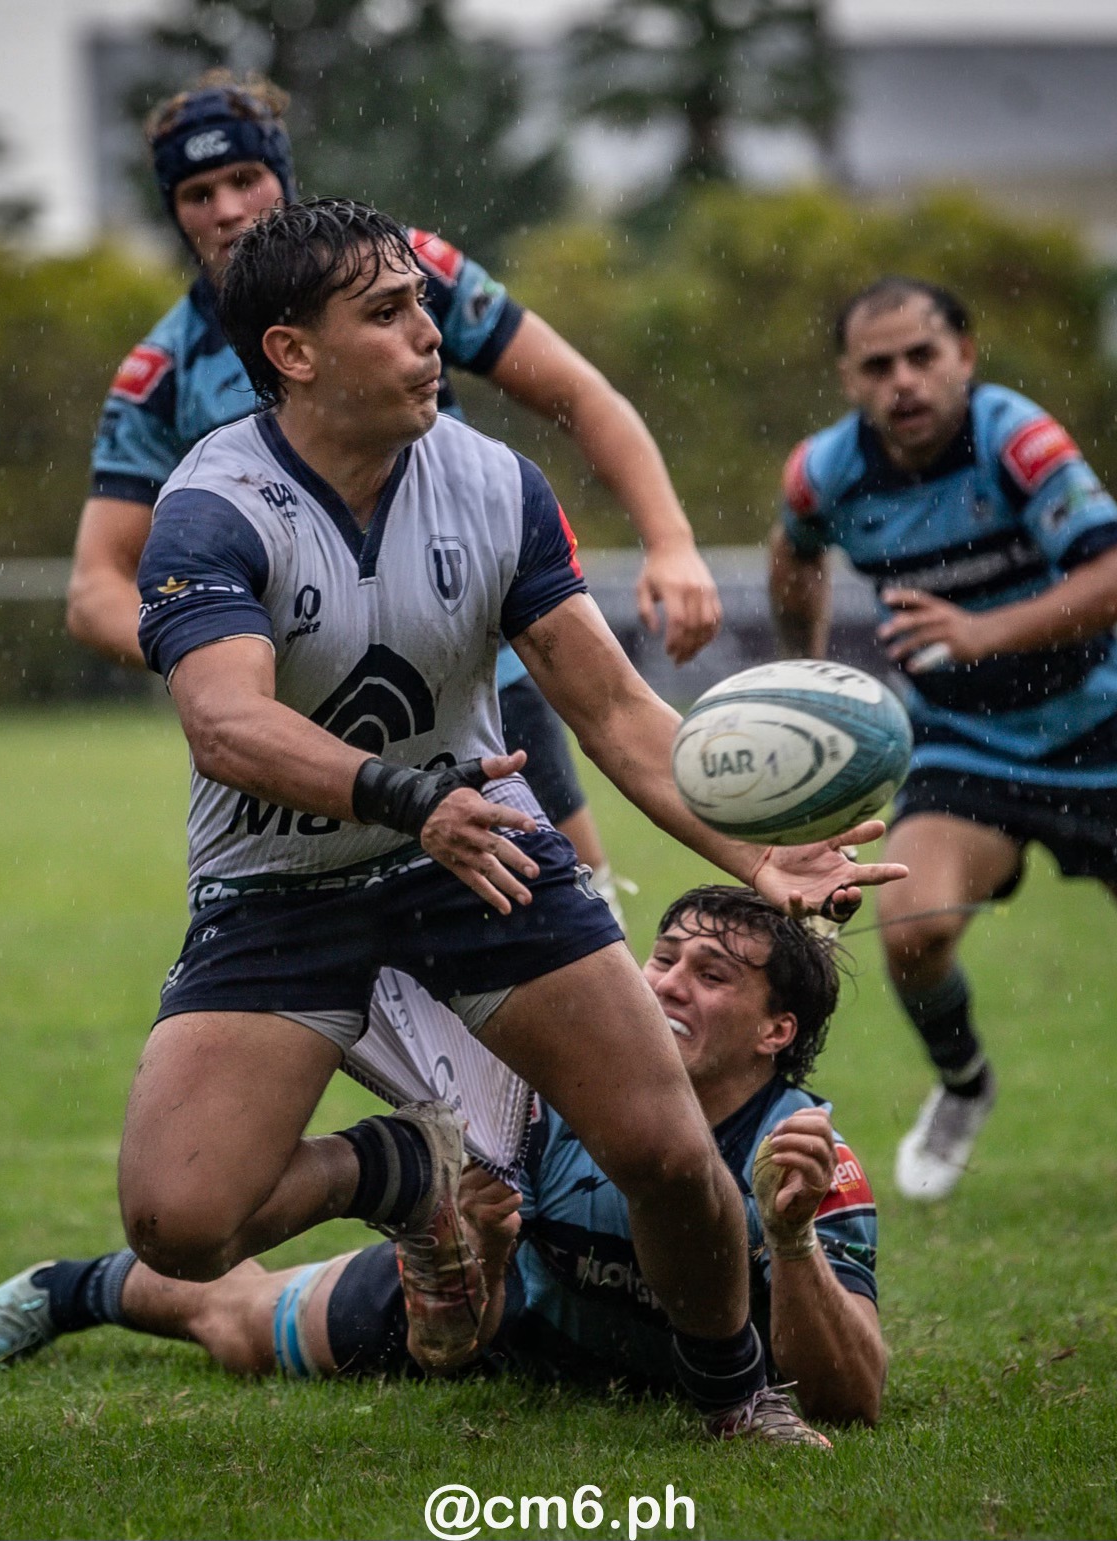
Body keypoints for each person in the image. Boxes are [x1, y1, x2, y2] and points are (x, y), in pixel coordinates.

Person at [105, 196, 906, 1445]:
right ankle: (404, 1173)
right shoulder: (212, 502)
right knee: (178, 1221)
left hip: (472, 851)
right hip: (281, 879)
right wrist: (403, 795)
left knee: (662, 1148)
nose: (429, 333)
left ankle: (730, 1395)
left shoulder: (495, 486)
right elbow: (226, 726)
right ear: (292, 352)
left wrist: (755, 854)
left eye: (423, 302)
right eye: (386, 312)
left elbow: (617, 712)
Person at [67, 70, 723, 920]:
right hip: (302, 699)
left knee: (567, 916)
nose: (227, 209)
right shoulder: (161, 373)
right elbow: (94, 591)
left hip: (476, 659)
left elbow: (580, 393)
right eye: (198, 193)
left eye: (245, 178)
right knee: (342, 961)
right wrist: (227, 644)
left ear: (283, 174)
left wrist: (668, 539)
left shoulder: (402, 270)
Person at [0, 887, 887, 1433]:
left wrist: (790, 1239)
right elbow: (453, 1337)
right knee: (238, 1323)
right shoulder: (555, 1091)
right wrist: (485, 1253)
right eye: (663, 957)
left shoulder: (801, 1152)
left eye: (709, 974)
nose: (668, 982)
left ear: (776, 1030)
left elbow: (850, 1396)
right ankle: (64, 1288)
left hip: (679, 1347)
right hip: (527, 1313)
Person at [767, 275, 1117, 1201]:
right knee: (911, 928)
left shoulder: (1016, 441)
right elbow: (794, 552)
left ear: (965, 356)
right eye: (877, 365)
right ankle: (962, 1085)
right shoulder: (822, 471)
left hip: (1096, 739)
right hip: (960, 742)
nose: (903, 380)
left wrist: (982, 630)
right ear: (847, 378)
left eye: (922, 356)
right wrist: (801, 678)